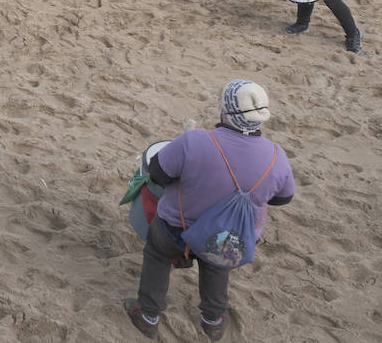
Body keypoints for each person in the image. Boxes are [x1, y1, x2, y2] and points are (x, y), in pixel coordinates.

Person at [123, 80, 296, 340]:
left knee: (157, 253)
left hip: (176, 230)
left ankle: (148, 315)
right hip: (228, 238)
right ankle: (213, 321)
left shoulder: (194, 140)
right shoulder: (276, 156)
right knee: (217, 264)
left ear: (225, 111)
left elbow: (157, 174)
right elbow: (283, 198)